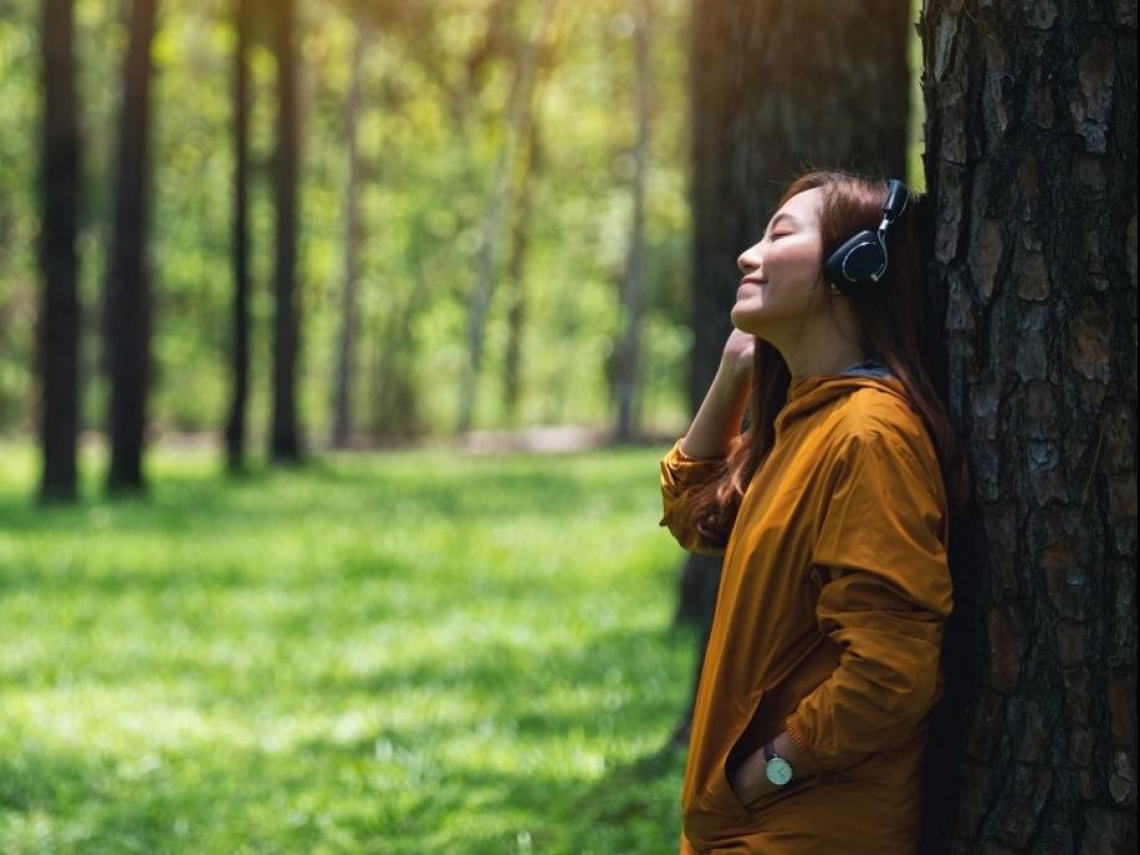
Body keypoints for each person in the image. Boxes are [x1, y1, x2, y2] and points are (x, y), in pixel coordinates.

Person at [660, 170, 972, 854]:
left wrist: (762, 773)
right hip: (746, 826)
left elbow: (891, 673)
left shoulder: (868, 437)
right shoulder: (806, 420)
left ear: (856, 264)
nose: (748, 255)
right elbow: (691, 513)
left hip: (804, 830)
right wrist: (733, 373)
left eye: (780, 235)